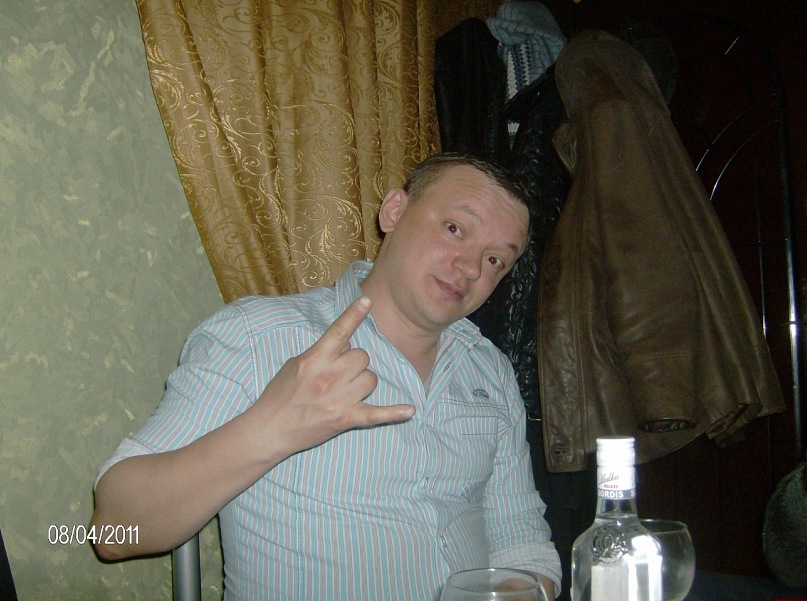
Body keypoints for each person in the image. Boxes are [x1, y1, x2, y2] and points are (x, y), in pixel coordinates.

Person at [91, 153, 562, 599]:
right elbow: (114, 531)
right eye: (455, 228)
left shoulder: (490, 369)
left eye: (495, 259)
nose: (471, 268)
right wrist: (272, 429)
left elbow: (521, 541)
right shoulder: (259, 337)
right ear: (394, 211)